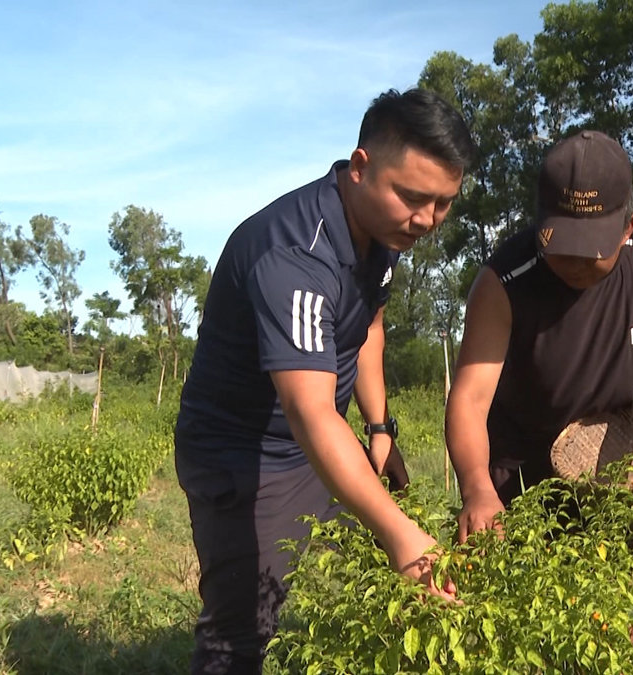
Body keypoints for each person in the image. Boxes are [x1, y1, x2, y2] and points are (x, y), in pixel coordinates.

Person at [174, 88, 476, 674]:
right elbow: (310, 411)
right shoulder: (295, 257)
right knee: (238, 634)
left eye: (443, 204)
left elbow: (366, 325)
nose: (427, 221)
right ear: (360, 167)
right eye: (413, 198)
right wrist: (402, 536)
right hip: (246, 459)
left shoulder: (382, 234)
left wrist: (379, 425)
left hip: (319, 441)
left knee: (370, 580)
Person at [445, 130, 633, 544]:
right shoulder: (503, 282)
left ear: (628, 229)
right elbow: (469, 399)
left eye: (591, 250)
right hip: (518, 487)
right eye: (561, 246)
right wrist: (477, 489)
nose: (574, 263)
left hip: (611, 482)